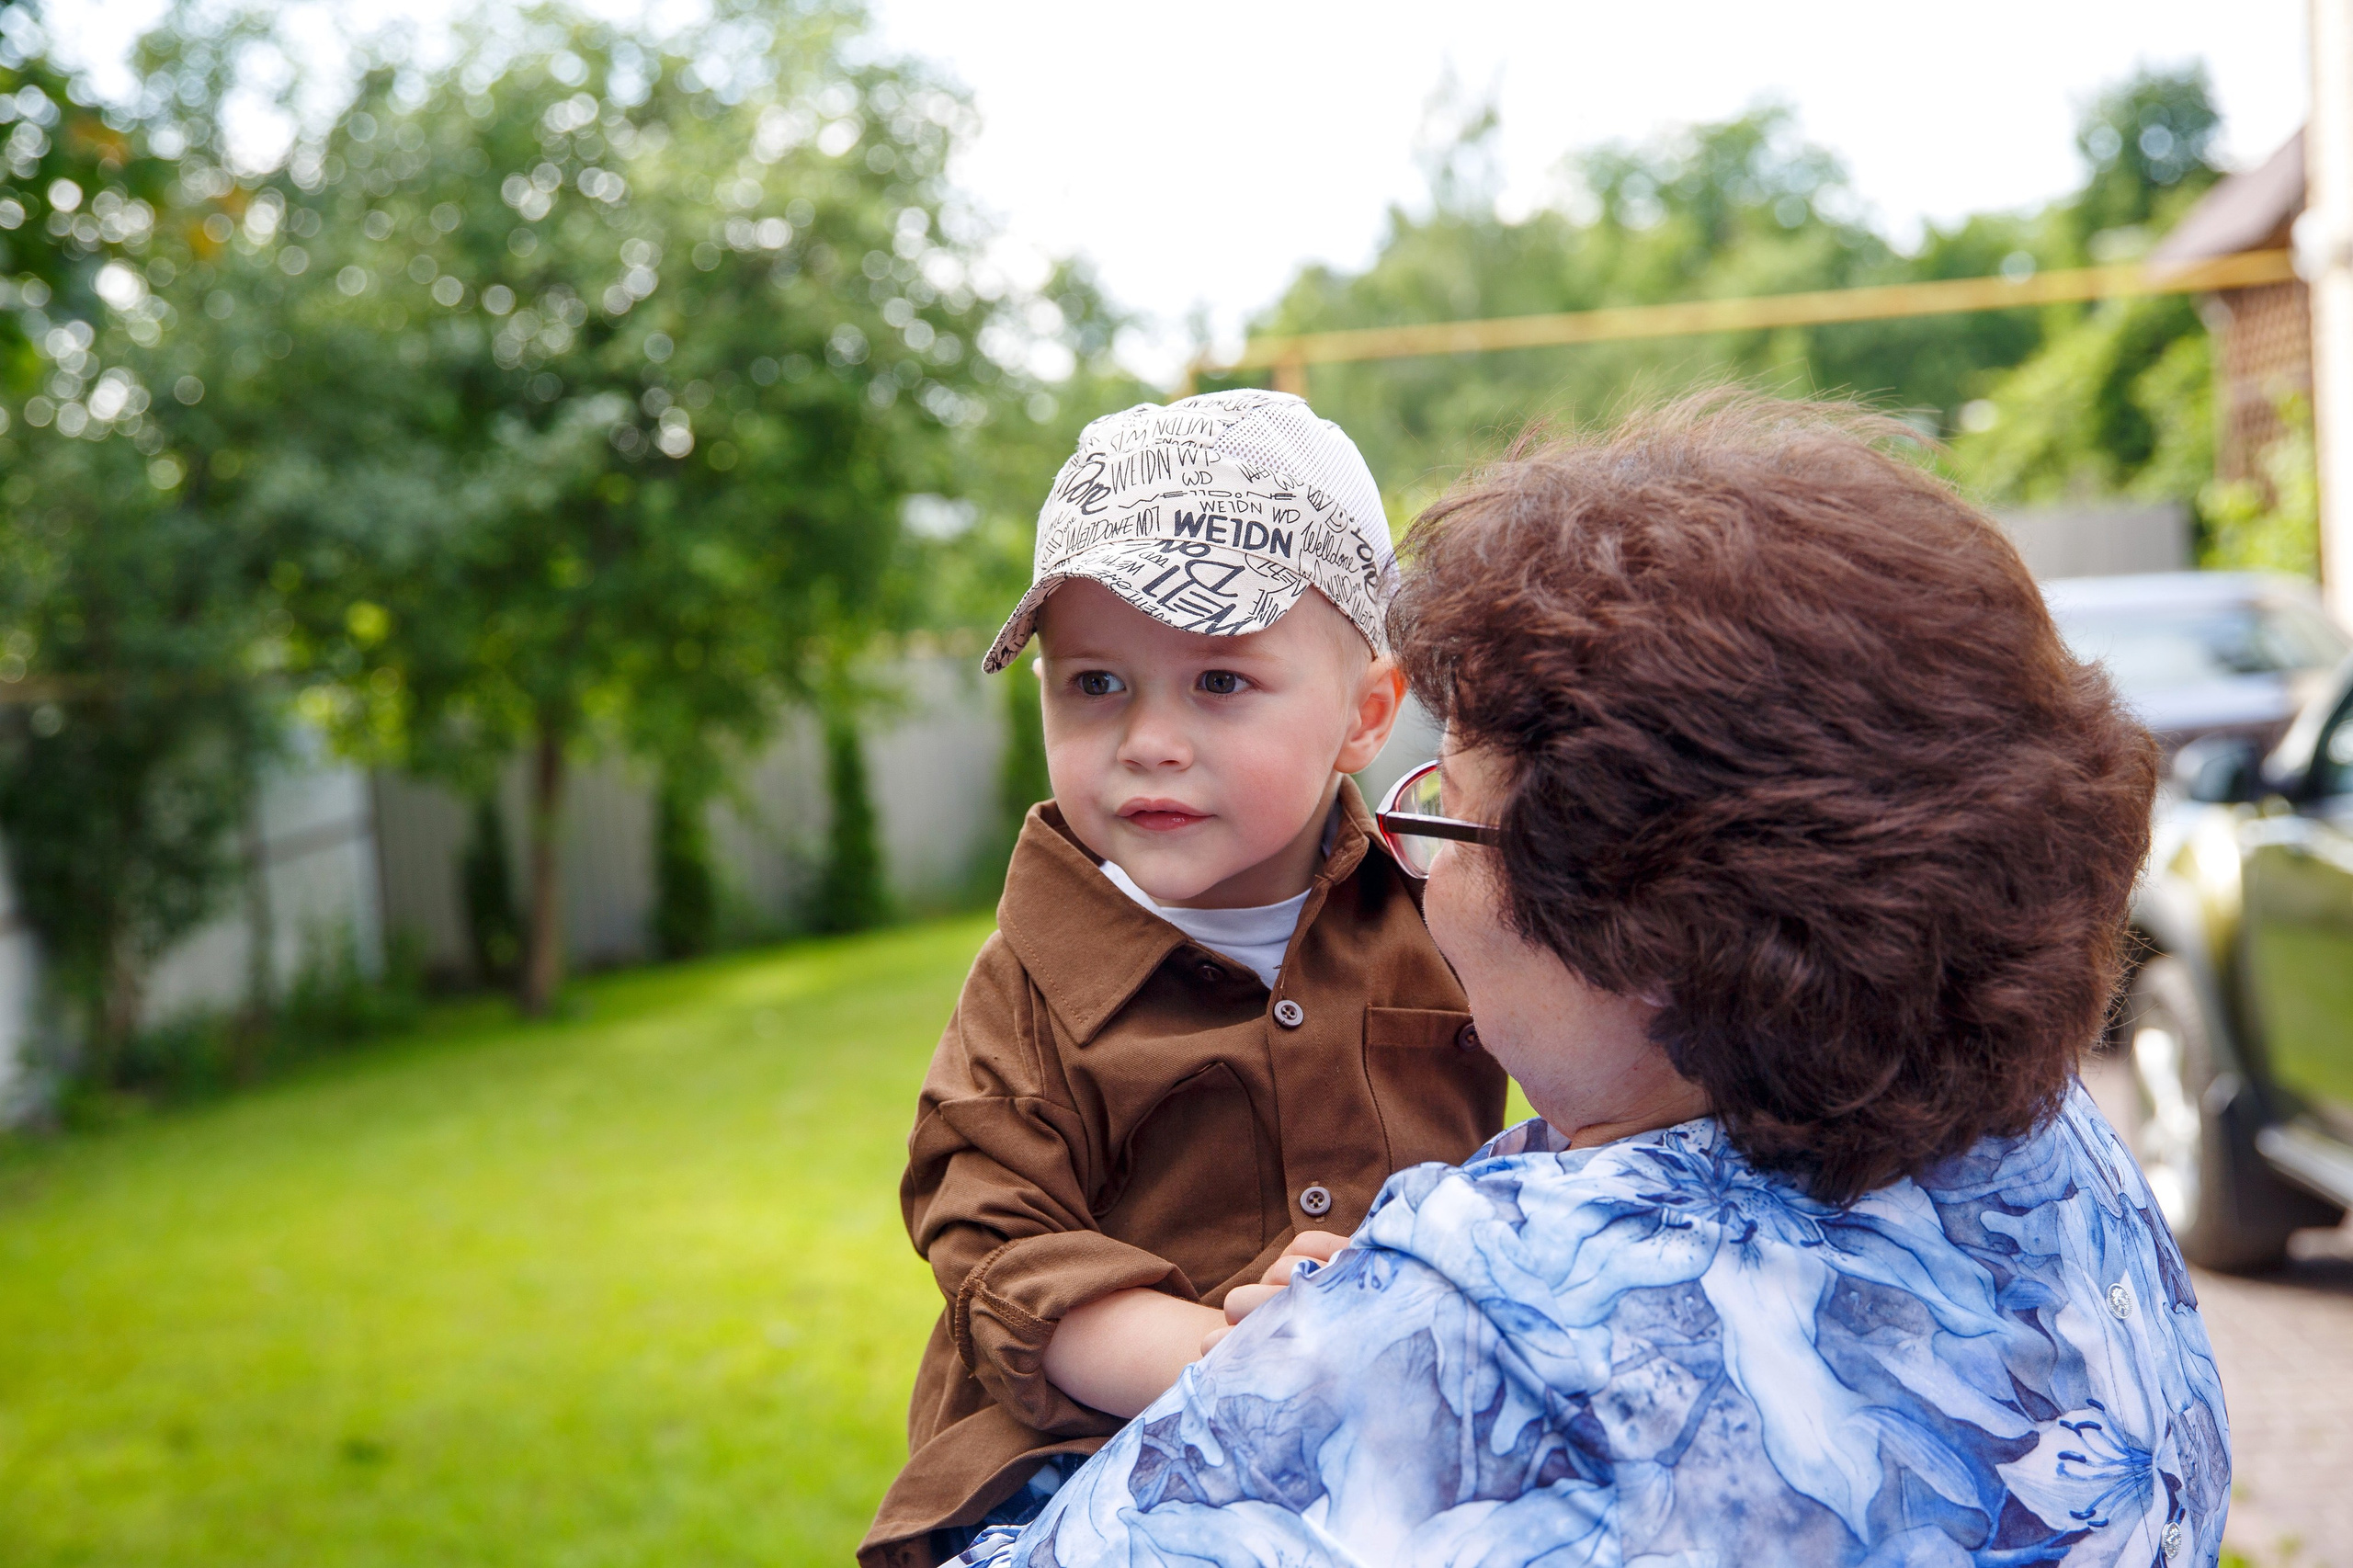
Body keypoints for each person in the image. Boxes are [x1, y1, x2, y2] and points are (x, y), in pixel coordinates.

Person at [955, 394, 2232, 1568]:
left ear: (1646, 926)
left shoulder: (1476, 1329)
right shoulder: (2057, 1152)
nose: (1412, 866)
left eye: (1447, 812)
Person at [859, 390, 1507, 1567]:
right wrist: (1224, 1355)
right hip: (1088, 1470)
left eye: (1218, 680)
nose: (1147, 738)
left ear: (1365, 711)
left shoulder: (1446, 913)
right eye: (1095, 682)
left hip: (1399, 1465)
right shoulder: (1034, 981)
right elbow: (998, 1247)